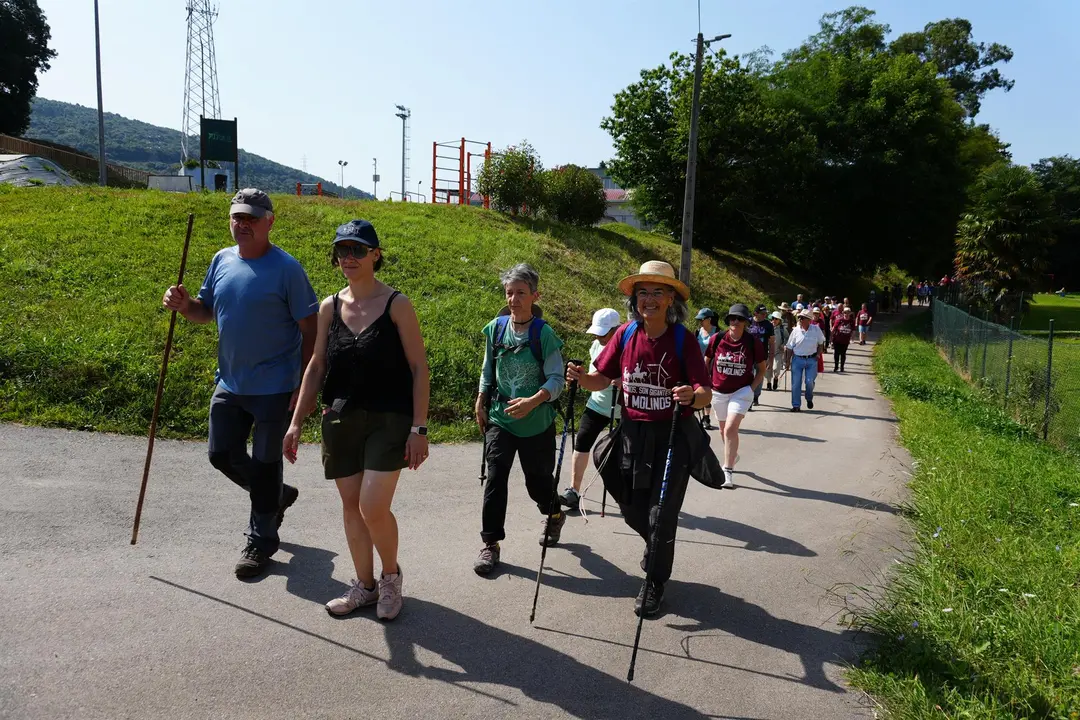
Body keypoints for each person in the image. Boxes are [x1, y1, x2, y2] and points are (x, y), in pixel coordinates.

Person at [162, 189, 318, 578]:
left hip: (275, 385)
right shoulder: (221, 261)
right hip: (230, 382)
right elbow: (206, 311)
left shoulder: (287, 269)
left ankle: (261, 540)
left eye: (251, 218)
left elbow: (310, 328)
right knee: (221, 455)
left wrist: (302, 382)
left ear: (269, 221)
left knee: (265, 465)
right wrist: (183, 306)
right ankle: (277, 497)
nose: (242, 224)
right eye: (237, 217)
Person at [281, 220, 428, 620]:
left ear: (375, 255)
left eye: (357, 250)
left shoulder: (397, 303)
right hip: (341, 419)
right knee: (351, 506)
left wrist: (419, 428)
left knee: (372, 506)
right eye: (342, 251)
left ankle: (391, 578)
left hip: (390, 420)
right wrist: (296, 422)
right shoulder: (330, 305)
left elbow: (418, 368)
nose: (348, 258)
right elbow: (316, 365)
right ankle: (365, 586)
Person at [567, 260, 711, 617]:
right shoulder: (626, 334)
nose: (648, 299)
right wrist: (580, 377)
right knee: (634, 508)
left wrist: (692, 397)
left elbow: (706, 391)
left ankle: (655, 581)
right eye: (642, 292)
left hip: (672, 435)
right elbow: (602, 378)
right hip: (632, 432)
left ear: (670, 300)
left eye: (657, 292)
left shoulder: (683, 340)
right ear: (635, 300)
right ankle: (656, 542)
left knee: (661, 514)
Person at [473, 264, 566, 576]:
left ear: (534, 296)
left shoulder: (544, 334)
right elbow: (488, 368)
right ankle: (490, 544)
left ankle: (553, 513)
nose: (513, 299)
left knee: (537, 482)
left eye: (521, 293)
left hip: (537, 423)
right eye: (509, 292)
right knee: (495, 479)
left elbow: (557, 380)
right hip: (501, 419)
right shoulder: (496, 329)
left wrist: (534, 401)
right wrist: (481, 397)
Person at [559, 308, 622, 511]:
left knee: (624, 454)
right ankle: (573, 492)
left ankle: (628, 496)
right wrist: (580, 378)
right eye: (596, 331)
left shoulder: (628, 347)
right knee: (582, 441)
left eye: (603, 332)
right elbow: (596, 376)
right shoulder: (596, 345)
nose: (598, 336)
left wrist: (623, 379)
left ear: (617, 329)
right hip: (597, 403)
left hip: (623, 409)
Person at [705, 304, 766, 488]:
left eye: (739, 319)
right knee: (724, 431)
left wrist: (751, 389)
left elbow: (762, 369)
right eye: (732, 318)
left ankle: (727, 471)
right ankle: (733, 455)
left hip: (741, 392)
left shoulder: (752, 342)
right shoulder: (717, 338)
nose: (735, 322)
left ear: (746, 322)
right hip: (718, 391)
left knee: (731, 428)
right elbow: (706, 362)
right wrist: (704, 383)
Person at [784, 309, 825, 412]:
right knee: (796, 383)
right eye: (799, 317)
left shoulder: (816, 329)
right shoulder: (796, 330)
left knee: (809, 382)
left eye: (802, 318)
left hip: (811, 359)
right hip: (797, 359)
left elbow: (821, 343)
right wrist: (787, 361)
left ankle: (809, 397)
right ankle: (796, 405)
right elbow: (789, 347)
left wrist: (819, 354)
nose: (800, 319)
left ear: (809, 320)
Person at [695, 308, 721, 428]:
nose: (700, 321)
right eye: (699, 319)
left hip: (712, 366)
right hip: (697, 365)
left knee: (707, 390)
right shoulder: (697, 332)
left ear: (709, 319)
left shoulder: (718, 333)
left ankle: (706, 418)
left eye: (702, 319)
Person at [746, 304, 775, 407]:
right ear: (755, 313)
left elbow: (772, 342)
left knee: (759, 376)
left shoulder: (768, 325)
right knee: (748, 376)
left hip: (762, 355)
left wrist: (771, 359)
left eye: (766, 314)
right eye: (762, 314)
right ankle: (748, 397)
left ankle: (755, 397)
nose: (764, 316)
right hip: (748, 354)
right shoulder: (748, 322)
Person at [767, 311, 789, 390]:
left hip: (778, 352)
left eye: (776, 319)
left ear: (779, 320)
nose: (774, 320)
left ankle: (775, 378)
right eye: (773, 318)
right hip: (768, 352)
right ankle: (769, 383)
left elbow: (787, 338)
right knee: (768, 369)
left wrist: (784, 345)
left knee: (776, 368)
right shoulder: (767, 327)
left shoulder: (782, 329)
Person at [831, 306, 854, 372]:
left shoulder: (851, 321)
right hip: (837, 339)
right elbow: (833, 329)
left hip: (845, 340)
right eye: (845, 313)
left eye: (848, 313)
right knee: (836, 353)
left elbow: (853, 331)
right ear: (843, 313)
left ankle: (842, 367)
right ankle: (836, 366)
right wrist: (831, 339)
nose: (846, 314)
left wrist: (852, 338)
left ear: (850, 313)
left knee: (843, 354)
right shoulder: (839, 320)